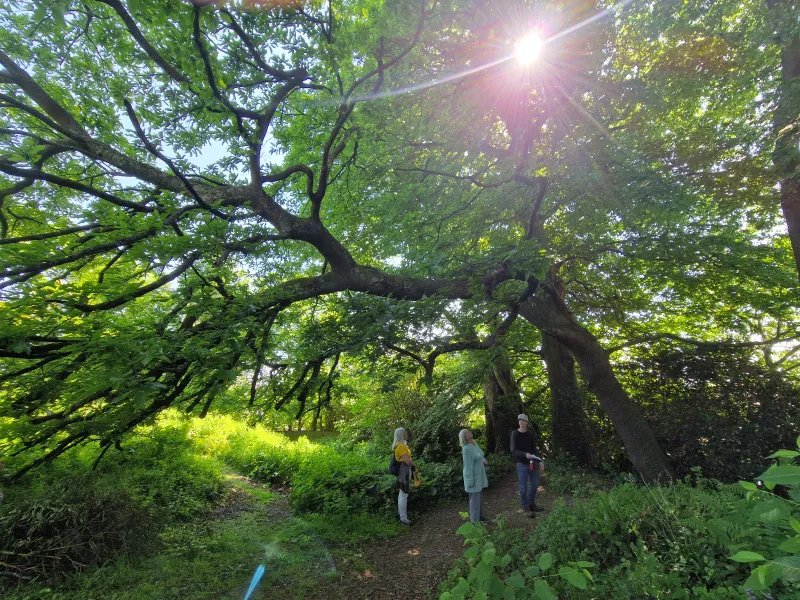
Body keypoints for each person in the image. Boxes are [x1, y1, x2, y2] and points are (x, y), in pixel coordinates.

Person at [510, 414, 544, 517]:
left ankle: (531, 503)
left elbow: (534, 449)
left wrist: (540, 460)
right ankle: (525, 507)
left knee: (534, 485)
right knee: (523, 487)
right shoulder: (515, 434)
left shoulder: (529, 434)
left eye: (523, 420)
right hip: (521, 464)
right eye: (520, 420)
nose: (521, 422)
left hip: (532, 463)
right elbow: (513, 450)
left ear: (527, 423)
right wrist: (525, 454)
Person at [459, 429, 489, 523]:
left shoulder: (474, 443)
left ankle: (480, 517)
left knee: (479, 497)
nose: (470, 432)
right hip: (473, 477)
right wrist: (470, 481)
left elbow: (480, 454)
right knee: (474, 500)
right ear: (465, 437)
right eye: (467, 432)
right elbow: (468, 466)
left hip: (479, 475)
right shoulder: (466, 449)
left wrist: (483, 460)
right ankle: (475, 522)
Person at [393, 427, 416, 525]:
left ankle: (403, 517)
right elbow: (407, 461)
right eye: (404, 433)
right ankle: (403, 518)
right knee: (403, 494)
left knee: (403, 493)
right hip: (404, 470)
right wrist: (414, 465)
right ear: (401, 435)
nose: (406, 434)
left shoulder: (400, 446)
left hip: (404, 470)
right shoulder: (401, 446)